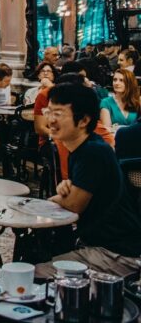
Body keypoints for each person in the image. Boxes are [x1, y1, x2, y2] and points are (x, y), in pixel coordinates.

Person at [35, 83, 141, 278]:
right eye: (48, 112)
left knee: (36, 275)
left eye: (58, 114)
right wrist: (66, 190)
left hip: (117, 254)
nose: (50, 120)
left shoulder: (93, 152)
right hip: (101, 246)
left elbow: (74, 205)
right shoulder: (83, 148)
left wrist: (57, 198)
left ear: (83, 120)